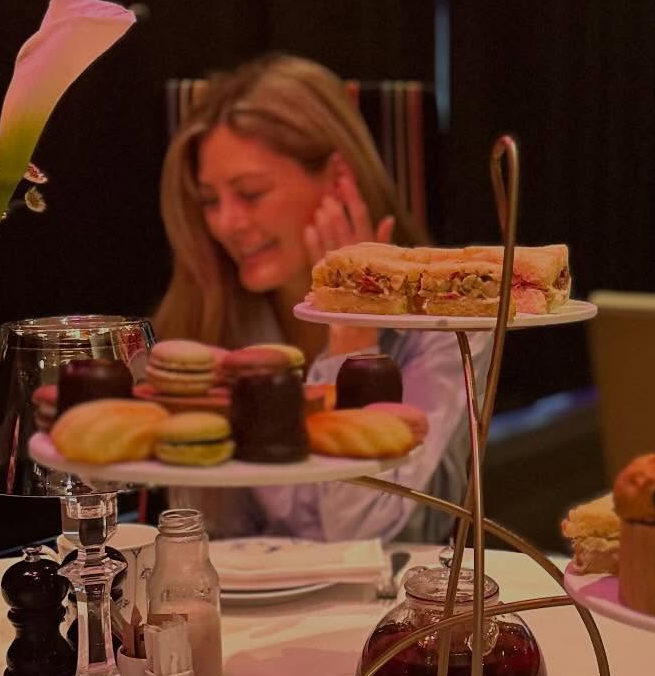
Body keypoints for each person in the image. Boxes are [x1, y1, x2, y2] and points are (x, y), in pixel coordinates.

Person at [155, 55, 477, 543]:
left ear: (337, 178)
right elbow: (208, 537)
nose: (226, 223)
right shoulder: (216, 324)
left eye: (250, 193)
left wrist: (352, 337)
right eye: (210, 201)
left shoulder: (450, 327)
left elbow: (366, 538)